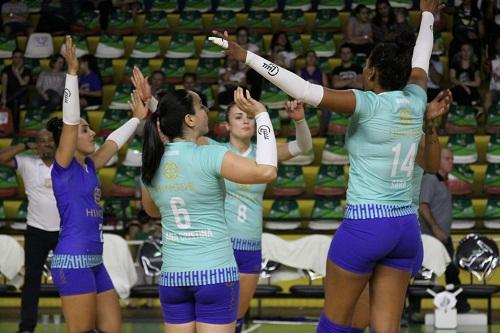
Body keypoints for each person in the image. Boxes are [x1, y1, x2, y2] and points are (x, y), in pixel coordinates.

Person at [209, 0, 441, 330]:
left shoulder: (369, 103)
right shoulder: (417, 98)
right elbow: (422, 58)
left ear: (371, 72)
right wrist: (428, 16)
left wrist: (244, 55)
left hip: (367, 225)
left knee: (334, 324)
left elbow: (301, 88)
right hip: (405, 229)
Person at [139, 85, 277, 333]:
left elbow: (152, 211)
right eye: (201, 106)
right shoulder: (212, 155)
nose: (206, 110)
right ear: (189, 119)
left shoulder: (151, 161)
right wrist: (262, 116)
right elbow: (267, 171)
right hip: (214, 274)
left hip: (173, 277)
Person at [46, 36, 147, 333]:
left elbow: (114, 142)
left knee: (112, 329)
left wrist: (136, 119)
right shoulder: (63, 167)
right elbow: (71, 121)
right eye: (85, 130)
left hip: (95, 261)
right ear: (68, 139)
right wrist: (73, 74)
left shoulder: (89, 165)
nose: (92, 135)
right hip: (72, 262)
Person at [349, 89, 453, 331]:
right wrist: (427, 120)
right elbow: (432, 164)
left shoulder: (379, 126)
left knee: (355, 321)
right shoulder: (412, 134)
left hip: (371, 226)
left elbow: (432, 164)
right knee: (385, 324)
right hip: (406, 232)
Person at [0, 129, 58, 333]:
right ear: (36, 145)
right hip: (37, 230)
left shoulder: (66, 163)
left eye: (50, 139)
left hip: (65, 231)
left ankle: (80, 326)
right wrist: (25, 146)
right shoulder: (27, 163)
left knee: (73, 279)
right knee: (32, 282)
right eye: (42, 141)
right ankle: (27, 328)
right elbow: (1, 158)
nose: (47, 143)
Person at [414, 148, 471, 314]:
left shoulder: (443, 182)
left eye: (452, 159)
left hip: (443, 236)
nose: (451, 162)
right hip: (432, 237)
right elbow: (423, 206)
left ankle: (460, 305)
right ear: (437, 161)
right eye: (447, 158)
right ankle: (415, 310)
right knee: (425, 275)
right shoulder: (430, 179)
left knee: (452, 271)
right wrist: (436, 229)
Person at [1, 48, 31, 133]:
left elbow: (23, 84)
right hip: (7, 97)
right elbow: (4, 86)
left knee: (25, 88)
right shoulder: (6, 70)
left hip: (22, 98)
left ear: (23, 59)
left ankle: (15, 130)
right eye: (15, 57)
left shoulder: (27, 70)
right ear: (12, 58)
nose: (18, 59)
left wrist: (17, 73)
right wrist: (4, 99)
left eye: (20, 57)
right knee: (15, 102)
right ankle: (16, 130)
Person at [450, 42, 481, 106]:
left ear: (471, 52)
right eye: (464, 50)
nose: (466, 53)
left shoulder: (475, 65)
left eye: (468, 50)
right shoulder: (455, 64)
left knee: (464, 91)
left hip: (471, 90)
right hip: (458, 89)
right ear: (460, 52)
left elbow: (477, 83)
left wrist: (463, 84)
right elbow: (452, 79)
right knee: (459, 90)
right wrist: (463, 86)